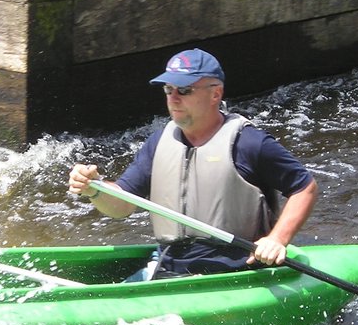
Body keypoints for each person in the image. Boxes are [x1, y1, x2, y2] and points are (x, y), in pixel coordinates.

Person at [67, 48, 318, 279]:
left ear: (215, 94)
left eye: (184, 90)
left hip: (236, 269)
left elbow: (304, 187)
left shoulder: (249, 143)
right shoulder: (159, 142)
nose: (173, 98)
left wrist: (277, 240)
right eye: (168, 90)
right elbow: (122, 206)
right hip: (169, 266)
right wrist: (95, 189)